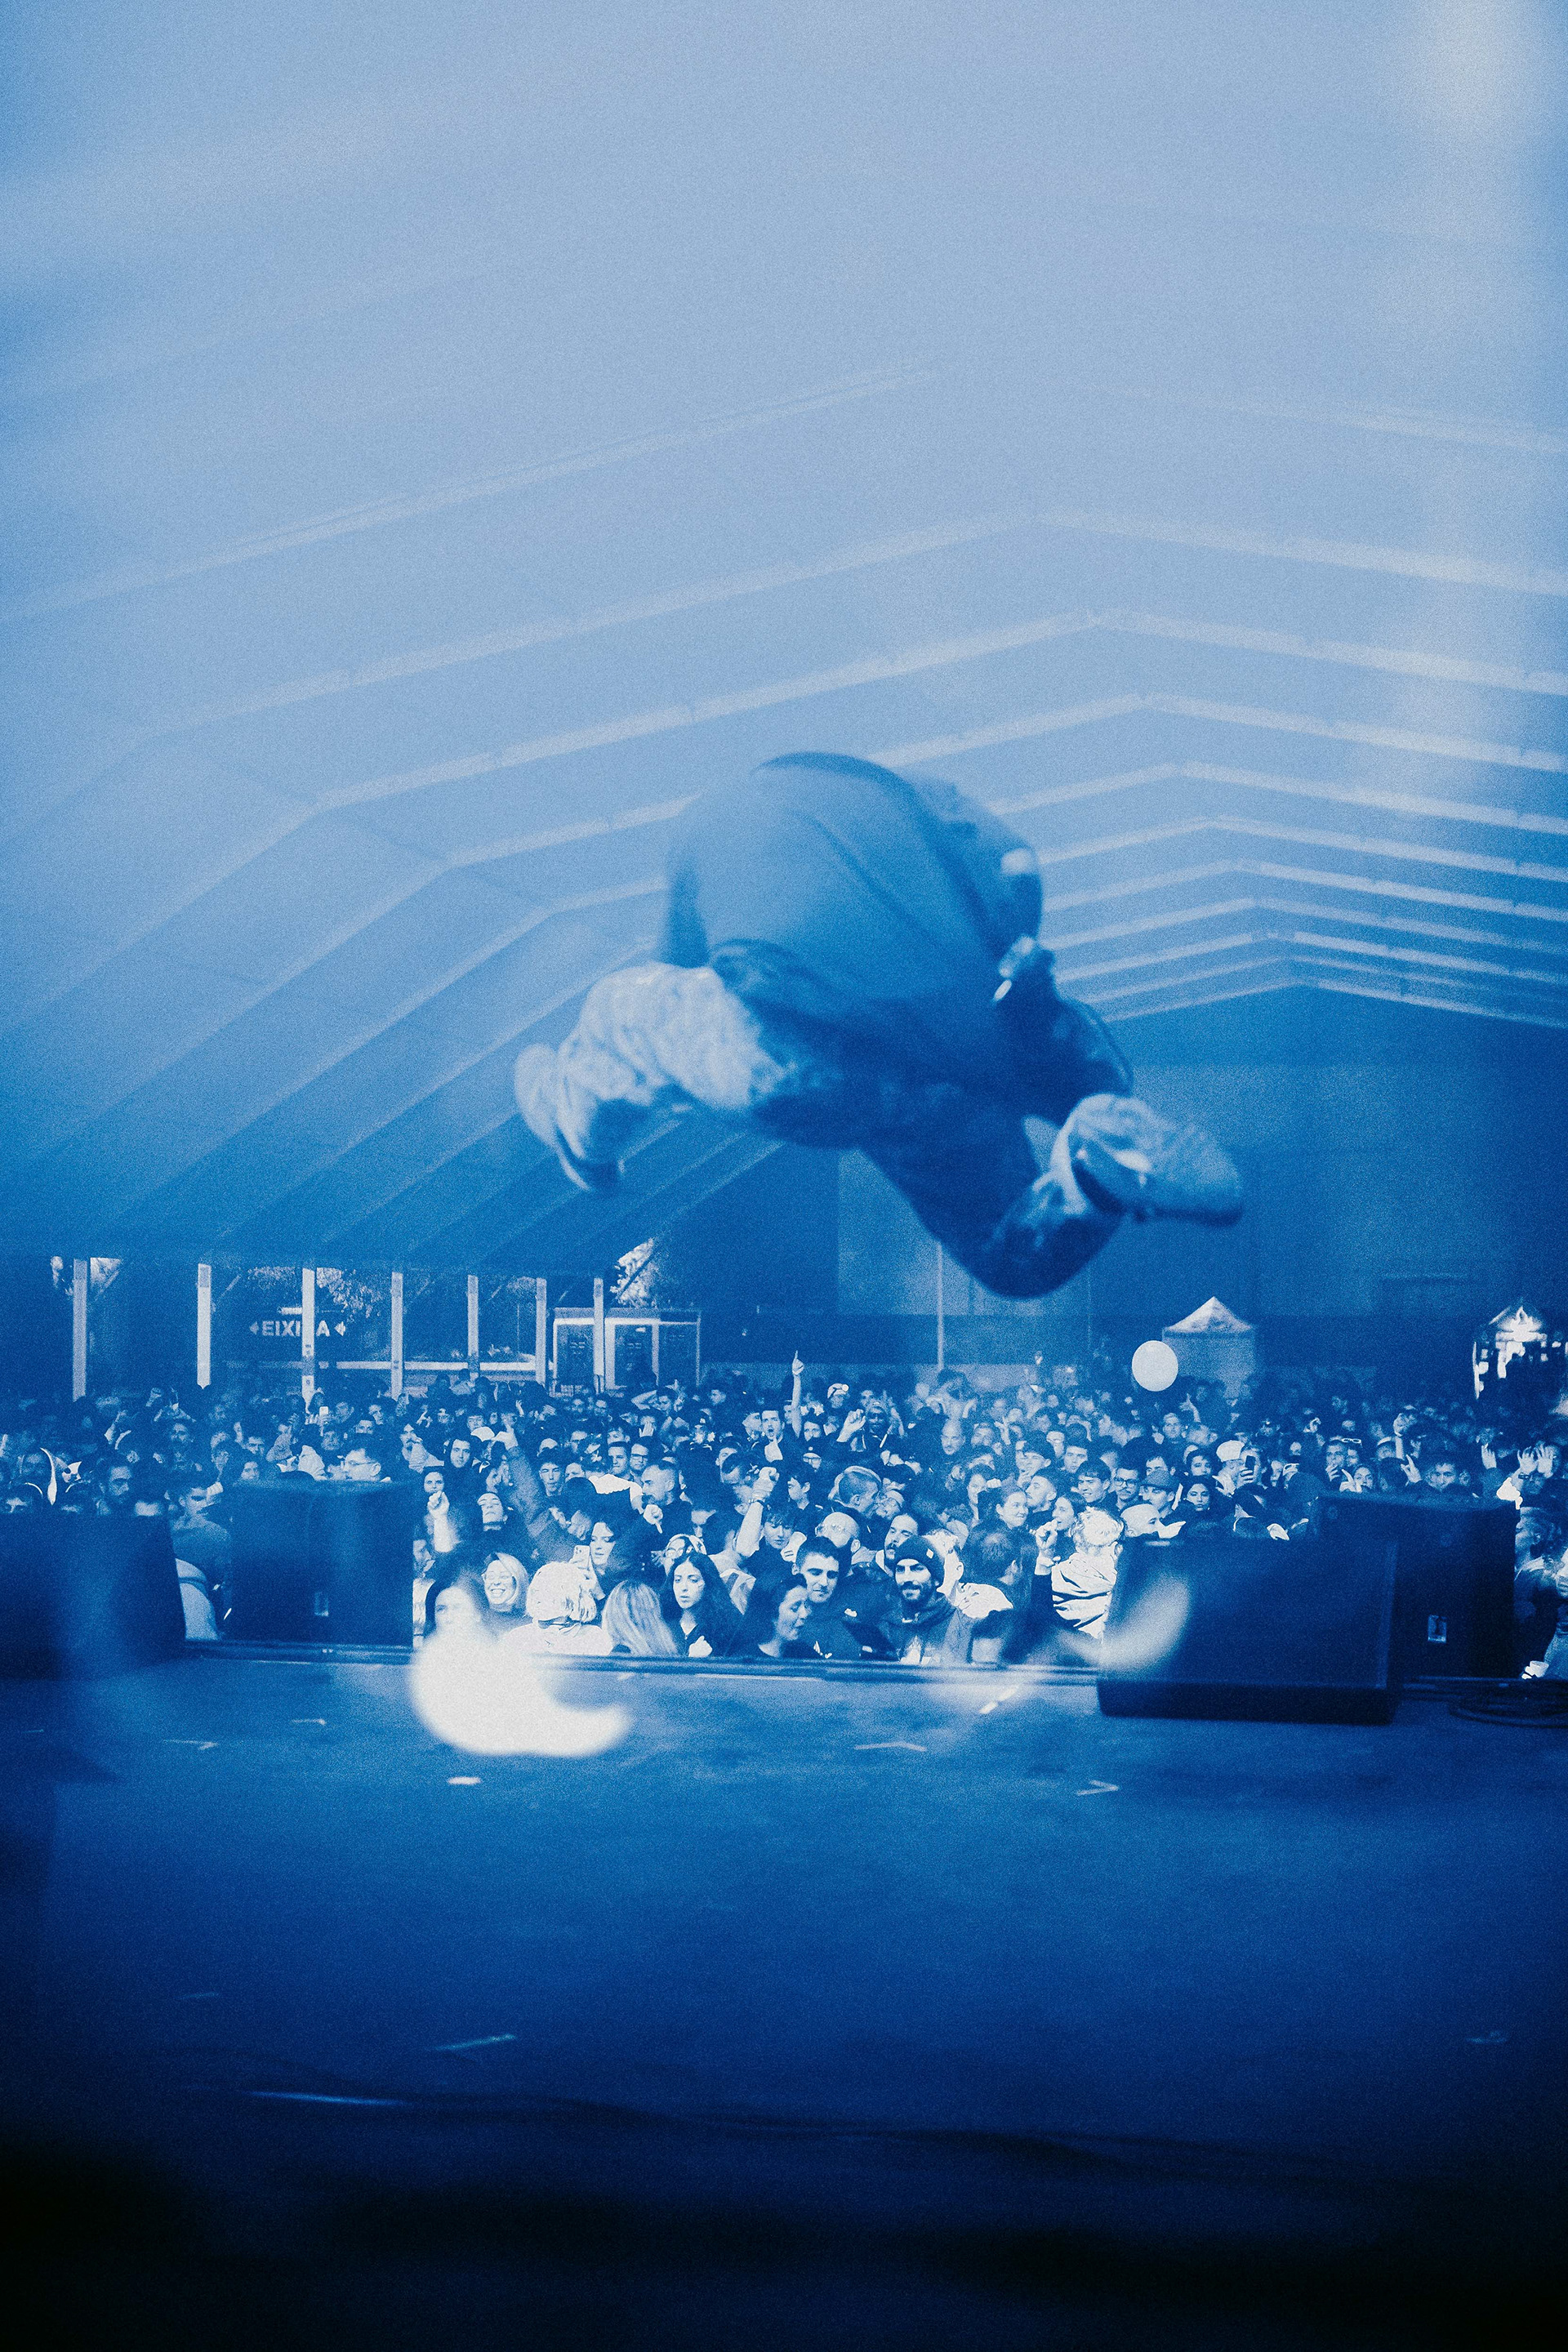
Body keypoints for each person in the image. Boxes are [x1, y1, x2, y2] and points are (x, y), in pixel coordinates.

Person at [514, 751, 1241, 1303]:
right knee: (1004, 1253)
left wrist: (672, 1092)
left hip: (799, 1057)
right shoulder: (922, 811)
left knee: (621, 1013)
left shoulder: (708, 824)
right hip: (953, 1071)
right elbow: (1018, 887)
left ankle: (579, 1129)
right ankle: (1091, 1175)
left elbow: (678, 966)